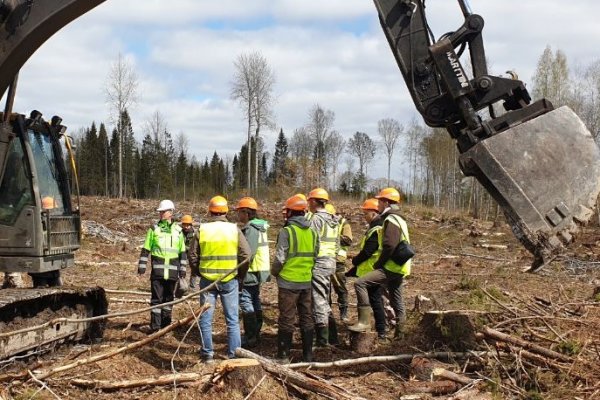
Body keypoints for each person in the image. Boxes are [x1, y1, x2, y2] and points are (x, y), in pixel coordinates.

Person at [188, 196, 251, 362]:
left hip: (208, 281)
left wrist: (199, 272)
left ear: (210, 211)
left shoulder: (202, 230)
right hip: (230, 280)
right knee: (232, 320)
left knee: (206, 319)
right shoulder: (234, 229)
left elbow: (192, 255)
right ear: (226, 212)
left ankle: (207, 355)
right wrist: (240, 276)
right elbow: (246, 255)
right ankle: (234, 355)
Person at [349, 188, 412, 339]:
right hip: (401, 266)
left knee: (360, 283)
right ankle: (401, 334)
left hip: (391, 266)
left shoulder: (390, 219)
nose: (378, 204)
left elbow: (390, 245)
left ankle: (364, 321)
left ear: (385, 202)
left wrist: (379, 264)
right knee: (397, 299)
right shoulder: (399, 218)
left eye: (379, 201)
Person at [271, 194, 318, 363]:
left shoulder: (287, 231)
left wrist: (274, 272)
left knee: (287, 318)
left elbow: (280, 258)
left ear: (290, 212)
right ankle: (308, 356)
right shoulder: (312, 232)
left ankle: (283, 356)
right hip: (306, 281)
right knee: (306, 317)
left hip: (288, 282)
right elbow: (316, 255)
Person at [137, 199, 188, 332]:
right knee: (156, 300)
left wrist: (183, 270)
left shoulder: (178, 231)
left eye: (163, 212)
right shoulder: (154, 229)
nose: (160, 214)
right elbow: (146, 249)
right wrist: (142, 266)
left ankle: (166, 326)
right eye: (160, 212)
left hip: (172, 272)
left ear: (171, 212)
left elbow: (182, 252)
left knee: (168, 300)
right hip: (158, 272)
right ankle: (155, 327)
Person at [345, 198, 388, 341]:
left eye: (366, 213)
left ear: (374, 213)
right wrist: (352, 271)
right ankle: (378, 329)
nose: (364, 217)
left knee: (375, 301)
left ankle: (380, 331)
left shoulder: (376, 229)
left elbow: (368, 251)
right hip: (368, 269)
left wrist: (355, 260)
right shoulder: (375, 227)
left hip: (371, 269)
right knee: (375, 300)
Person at [306, 188, 339, 347]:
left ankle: (322, 339)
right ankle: (333, 336)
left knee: (319, 300)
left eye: (309, 201)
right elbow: (337, 244)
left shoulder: (316, 220)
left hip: (319, 263)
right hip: (330, 262)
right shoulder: (334, 220)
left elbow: (312, 243)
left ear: (313, 201)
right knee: (325, 299)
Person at [236, 197, 270, 348]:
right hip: (258, 271)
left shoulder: (250, 229)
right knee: (255, 300)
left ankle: (251, 337)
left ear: (247, 213)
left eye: (240, 212)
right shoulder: (260, 227)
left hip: (249, 271)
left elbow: (247, 254)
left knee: (246, 301)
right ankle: (255, 333)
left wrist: (239, 272)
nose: (238, 215)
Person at [325, 203, 353, 323]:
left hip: (338, 261)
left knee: (341, 288)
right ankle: (327, 313)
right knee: (326, 289)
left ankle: (344, 313)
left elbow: (348, 240)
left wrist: (333, 235)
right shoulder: (322, 223)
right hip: (325, 260)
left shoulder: (343, 223)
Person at [180, 214, 200, 290]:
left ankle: (192, 287)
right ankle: (182, 286)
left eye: (188, 225)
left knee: (194, 270)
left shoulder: (195, 233)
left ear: (191, 225)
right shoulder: (179, 233)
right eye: (184, 225)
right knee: (182, 269)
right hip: (182, 253)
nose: (186, 227)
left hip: (192, 254)